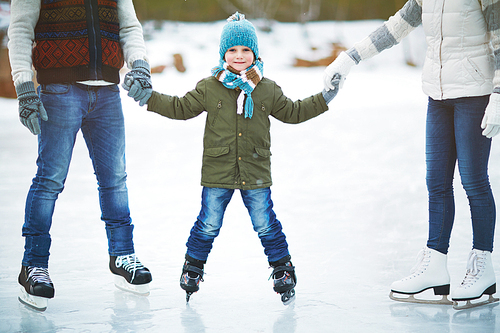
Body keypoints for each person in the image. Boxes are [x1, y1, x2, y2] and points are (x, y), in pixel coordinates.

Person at [123, 12, 339, 304]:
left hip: (255, 168)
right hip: (218, 169)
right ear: (224, 53)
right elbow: (180, 107)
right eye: (233, 50)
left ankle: (282, 269)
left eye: (246, 50)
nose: (239, 56)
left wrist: (324, 98)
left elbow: (294, 112)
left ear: (255, 54)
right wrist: (149, 97)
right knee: (208, 222)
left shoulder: (267, 89)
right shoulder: (210, 87)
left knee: (265, 222)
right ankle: (193, 267)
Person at [324, 0, 500, 309]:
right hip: (438, 93)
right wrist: (349, 58)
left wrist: (498, 96)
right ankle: (435, 264)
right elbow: (395, 28)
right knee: (437, 182)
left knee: (473, 181)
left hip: (475, 92)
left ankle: (482, 267)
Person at [8, 0, 153, 311]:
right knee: (49, 180)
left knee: (115, 178)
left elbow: (129, 27)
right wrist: (24, 86)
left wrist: (139, 65)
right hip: (59, 91)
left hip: (107, 95)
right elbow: (20, 30)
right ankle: (33, 264)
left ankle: (122, 254)